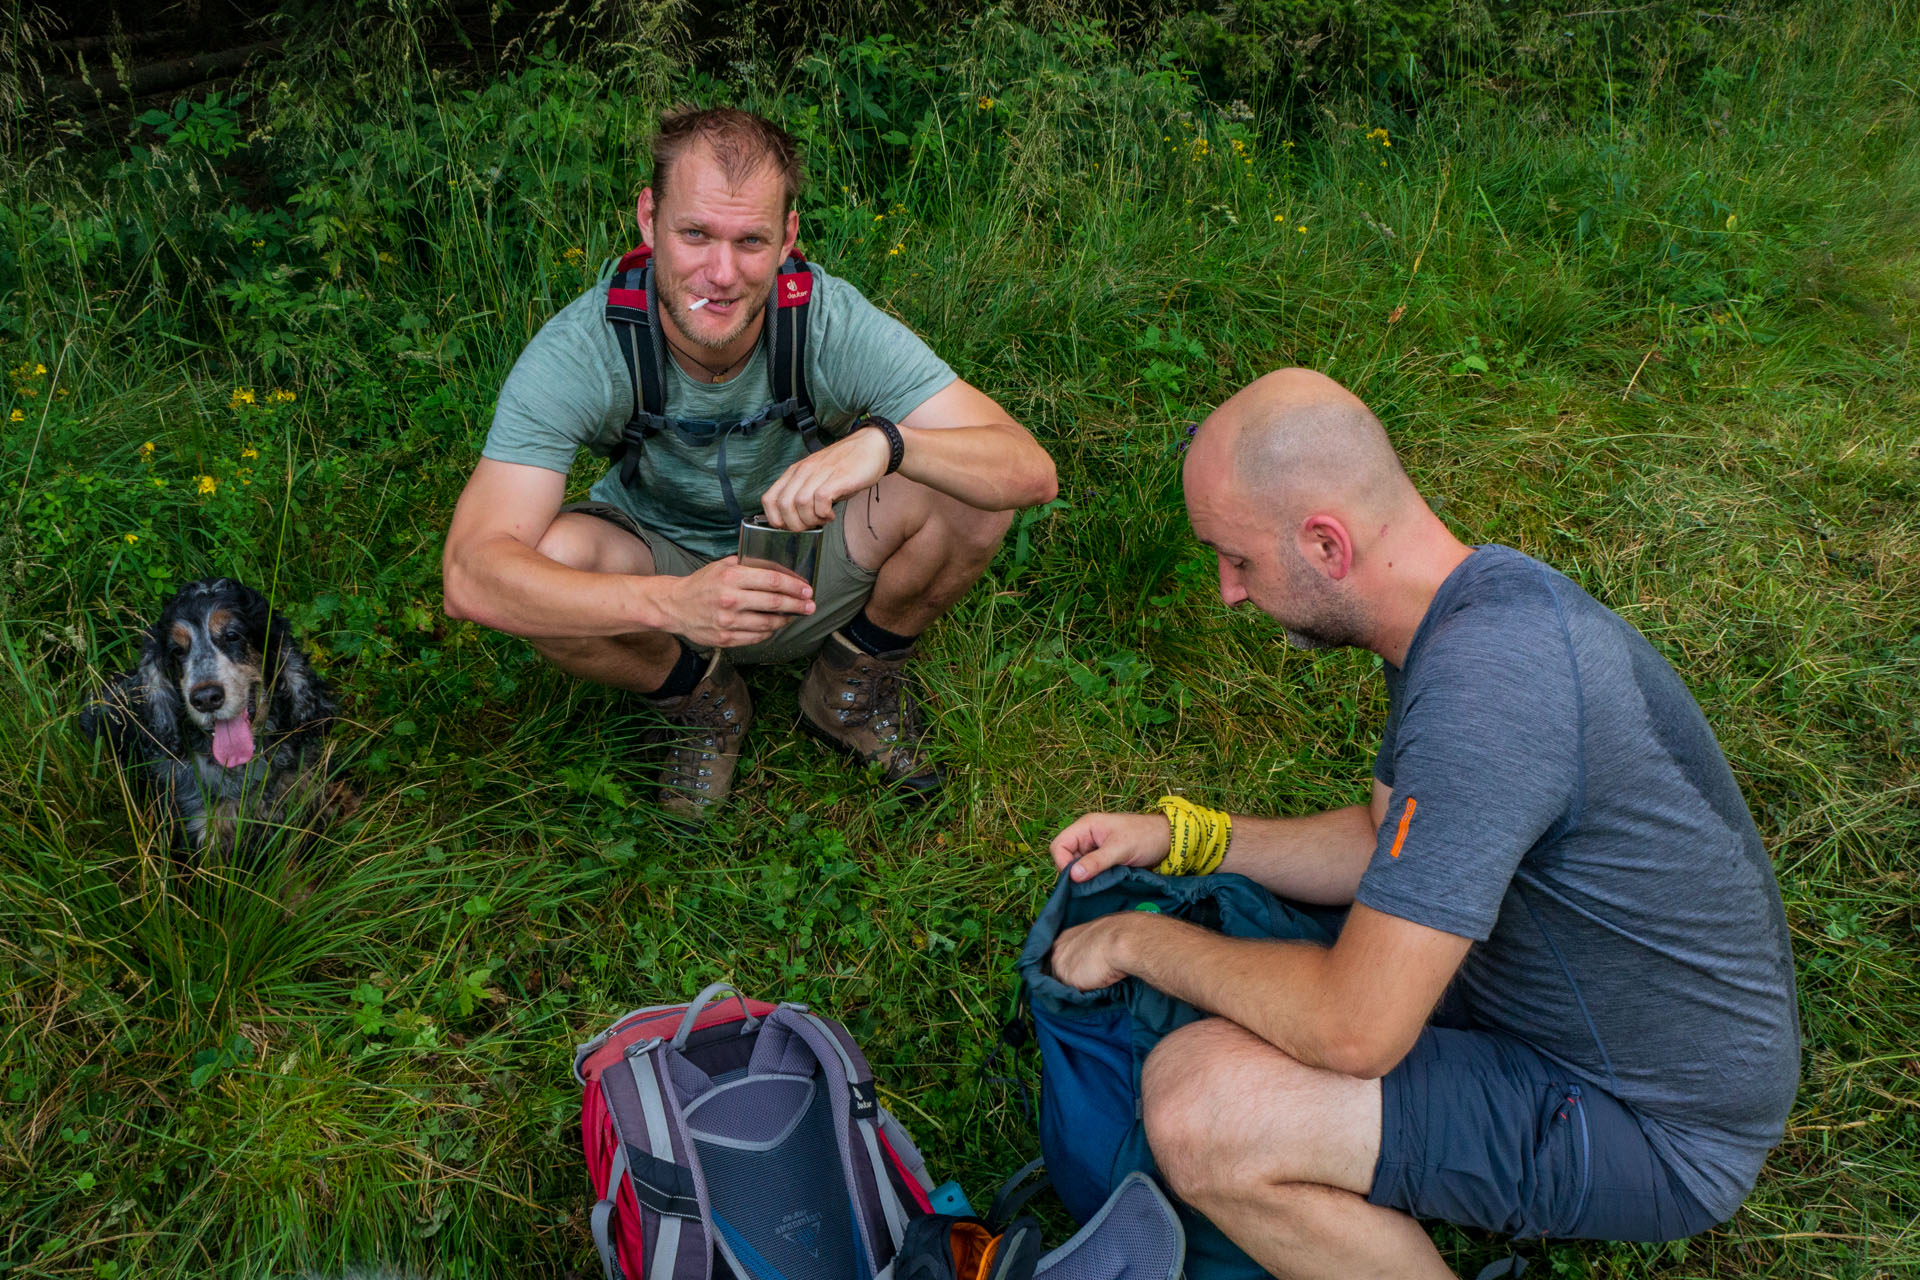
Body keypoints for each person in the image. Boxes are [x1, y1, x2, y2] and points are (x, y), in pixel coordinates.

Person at [1044, 369, 1799, 1276]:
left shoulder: (1488, 696)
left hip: (1652, 1122)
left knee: (1199, 1104)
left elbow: (1354, 1031)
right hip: (1532, 1001)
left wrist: (1135, 941)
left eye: (1236, 558)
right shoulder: (1472, 611)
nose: (1227, 593)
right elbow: (1382, 840)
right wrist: (1186, 838)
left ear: (1326, 544)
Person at [443, 108, 1056, 819]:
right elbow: (470, 574)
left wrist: (887, 443)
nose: (722, 274)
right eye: (695, 234)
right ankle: (703, 702)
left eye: (752, 240)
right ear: (648, 219)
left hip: (813, 550)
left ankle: (848, 684)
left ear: (789, 237)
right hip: (659, 559)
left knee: (968, 490)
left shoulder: (826, 320)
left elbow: (1030, 470)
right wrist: (670, 604)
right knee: (550, 558)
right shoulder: (584, 348)